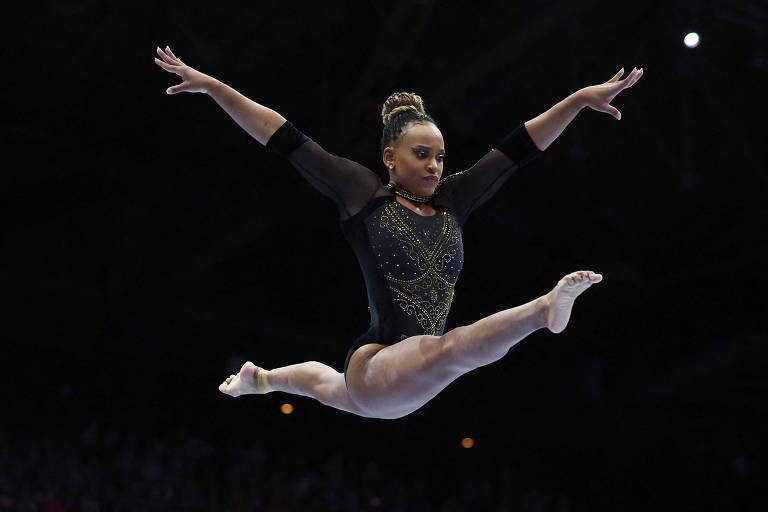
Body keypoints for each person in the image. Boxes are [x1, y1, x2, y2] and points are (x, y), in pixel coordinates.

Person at [154, 45, 643, 419]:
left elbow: (519, 147)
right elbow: (282, 137)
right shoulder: (363, 195)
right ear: (390, 156)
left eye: (440, 156)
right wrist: (215, 87)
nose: (435, 166)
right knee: (452, 350)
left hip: (404, 383)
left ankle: (258, 380)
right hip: (377, 365)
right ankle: (541, 311)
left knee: (322, 385)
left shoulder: (454, 200)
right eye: (421, 155)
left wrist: (578, 100)